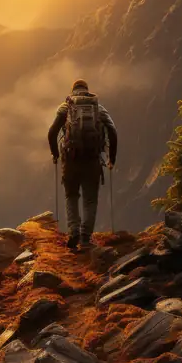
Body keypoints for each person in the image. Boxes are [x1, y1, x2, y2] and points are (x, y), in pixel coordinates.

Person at [48, 79, 117, 250]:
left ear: (73, 91)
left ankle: (73, 232)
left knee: (71, 196)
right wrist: (111, 158)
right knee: (90, 200)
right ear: (87, 91)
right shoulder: (98, 108)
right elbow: (113, 132)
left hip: (70, 161)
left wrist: (55, 154)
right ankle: (85, 239)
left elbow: (52, 133)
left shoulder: (66, 107)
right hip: (92, 161)